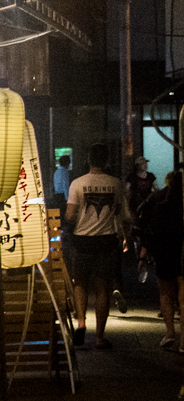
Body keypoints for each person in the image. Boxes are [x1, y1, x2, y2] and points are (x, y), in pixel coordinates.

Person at [65, 142, 133, 349]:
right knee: (103, 287)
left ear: (88, 160)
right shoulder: (116, 184)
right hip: (106, 240)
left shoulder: (78, 183)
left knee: (80, 284)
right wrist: (126, 238)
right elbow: (125, 217)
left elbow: (69, 215)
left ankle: (82, 323)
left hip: (82, 239)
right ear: (107, 161)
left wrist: (73, 222)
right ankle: (100, 338)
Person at [136, 170, 184, 350]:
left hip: (164, 251)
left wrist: (143, 255)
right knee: (183, 295)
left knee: (166, 293)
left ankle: (170, 332)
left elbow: (146, 227)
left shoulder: (158, 200)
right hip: (182, 250)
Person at [52, 154, 71, 222]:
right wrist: (67, 199)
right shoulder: (65, 173)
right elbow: (65, 186)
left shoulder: (56, 172)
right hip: (63, 196)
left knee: (58, 216)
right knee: (64, 215)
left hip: (56, 196)